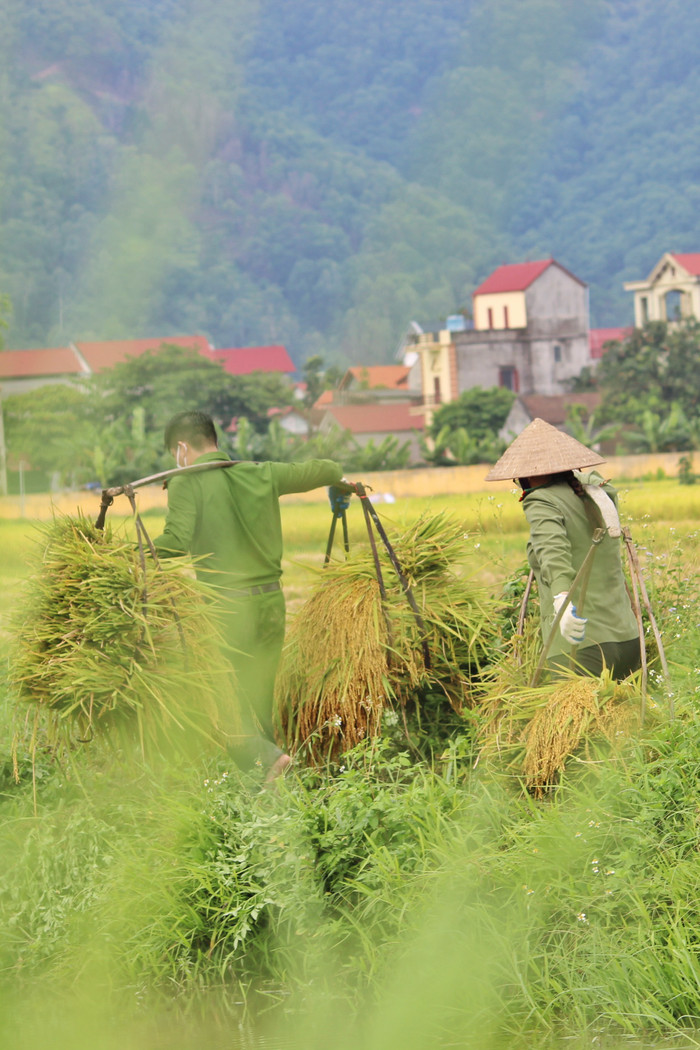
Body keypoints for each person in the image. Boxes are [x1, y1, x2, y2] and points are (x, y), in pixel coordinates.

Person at [154, 410, 348, 778]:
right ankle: (272, 784)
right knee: (258, 695)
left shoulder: (186, 481)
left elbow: (175, 541)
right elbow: (327, 467)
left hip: (226, 608)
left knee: (216, 697)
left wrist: (124, 555)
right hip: (271, 606)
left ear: (182, 448)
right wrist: (337, 482)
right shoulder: (262, 472)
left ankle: (266, 762)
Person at [485, 417, 641, 680]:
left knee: (566, 720)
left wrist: (561, 601)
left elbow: (552, 550)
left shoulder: (541, 499)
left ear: (527, 474)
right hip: (627, 638)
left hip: (581, 647)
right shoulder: (595, 492)